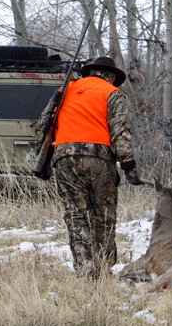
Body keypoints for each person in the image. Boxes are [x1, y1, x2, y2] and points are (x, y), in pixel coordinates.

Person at [37, 57, 142, 279]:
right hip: (99, 160)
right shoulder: (112, 92)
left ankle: (86, 270)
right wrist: (128, 164)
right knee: (103, 216)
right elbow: (120, 130)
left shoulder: (65, 90)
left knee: (76, 216)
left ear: (90, 72)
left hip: (65, 159)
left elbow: (42, 126)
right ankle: (103, 268)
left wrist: (43, 159)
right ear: (112, 76)